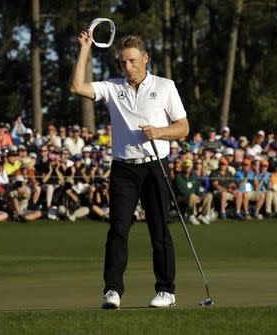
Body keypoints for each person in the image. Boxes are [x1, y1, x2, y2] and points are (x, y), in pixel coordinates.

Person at [70, 32, 189, 309]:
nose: (128, 67)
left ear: (145, 58)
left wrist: (159, 131)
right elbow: (77, 87)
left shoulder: (165, 86)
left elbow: (183, 127)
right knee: (118, 230)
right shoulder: (113, 87)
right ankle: (112, 290)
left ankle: (166, 290)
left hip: (155, 166)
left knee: (159, 230)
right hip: (123, 168)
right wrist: (85, 49)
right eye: (124, 62)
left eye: (133, 61)